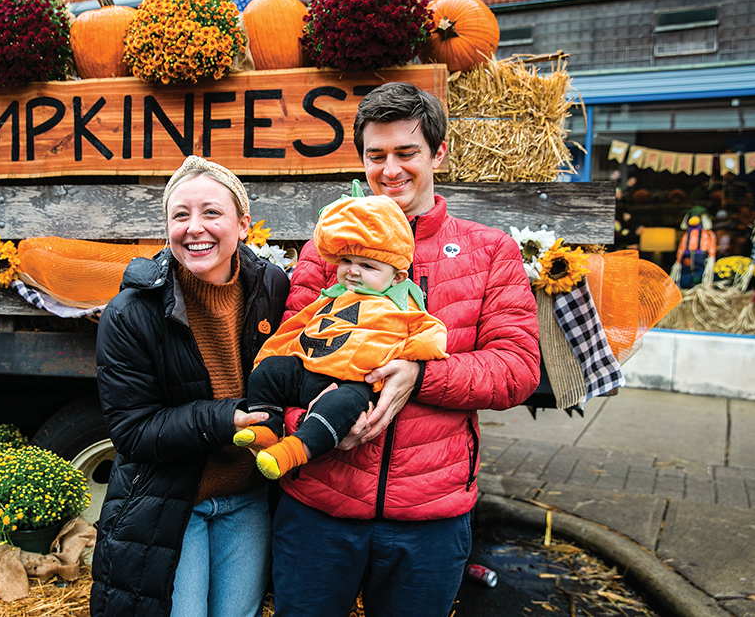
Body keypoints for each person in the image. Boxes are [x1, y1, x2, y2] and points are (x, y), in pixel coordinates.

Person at [270, 82, 540, 617]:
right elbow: (290, 352)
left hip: (429, 521)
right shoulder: (328, 249)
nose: (390, 169)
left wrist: (421, 373)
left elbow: (517, 368)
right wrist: (317, 424)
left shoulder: (490, 251)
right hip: (321, 508)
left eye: (406, 153)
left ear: (438, 153)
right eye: (377, 155)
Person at [91, 155, 290, 617]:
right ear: (167, 228)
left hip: (247, 497)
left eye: (211, 212)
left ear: (243, 224)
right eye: (180, 215)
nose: (194, 227)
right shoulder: (131, 311)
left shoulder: (272, 288)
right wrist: (226, 418)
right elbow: (134, 431)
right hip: (173, 498)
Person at [233, 187, 448, 480]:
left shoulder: (400, 305)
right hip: (308, 370)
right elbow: (295, 326)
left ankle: (293, 452)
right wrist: (270, 355)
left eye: (367, 266)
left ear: (397, 276)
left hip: (354, 383)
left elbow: (432, 334)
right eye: (346, 261)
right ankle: (266, 428)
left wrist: (408, 360)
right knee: (270, 372)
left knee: (341, 406)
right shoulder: (330, 297)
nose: (353, 272)